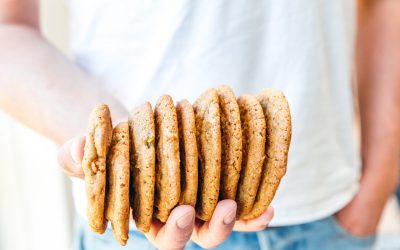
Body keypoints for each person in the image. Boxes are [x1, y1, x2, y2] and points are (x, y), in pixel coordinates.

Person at [1, 0, 399, 249]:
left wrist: (373, 192)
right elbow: (8, 28)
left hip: (329, 218)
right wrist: (111, 154)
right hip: (137, 230)